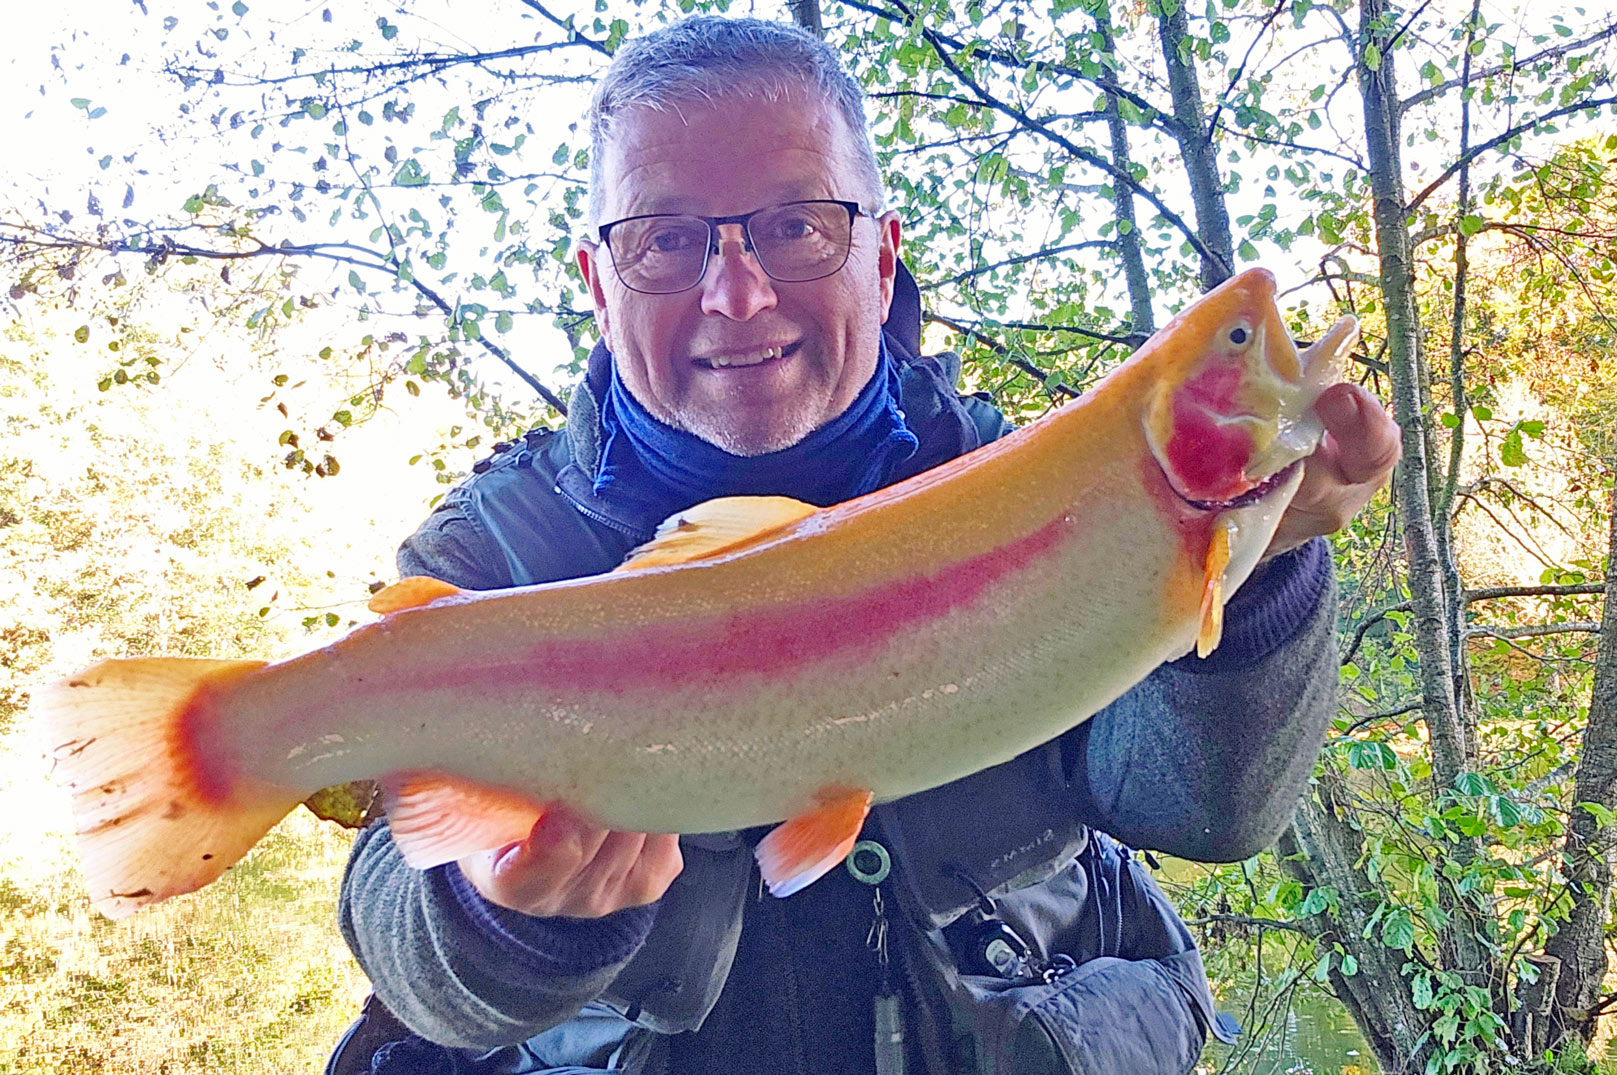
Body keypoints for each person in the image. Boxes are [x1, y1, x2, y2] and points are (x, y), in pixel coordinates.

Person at [333, 15, 1401, 1075]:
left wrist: (1250, 573)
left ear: (882, 259)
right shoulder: (497, 552)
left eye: (796, 225)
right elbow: (402, 928)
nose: (736, 293)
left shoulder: (1031, 479)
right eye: (665, 241)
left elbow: (1207, 811)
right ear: (598, 284)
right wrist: (505, 918)